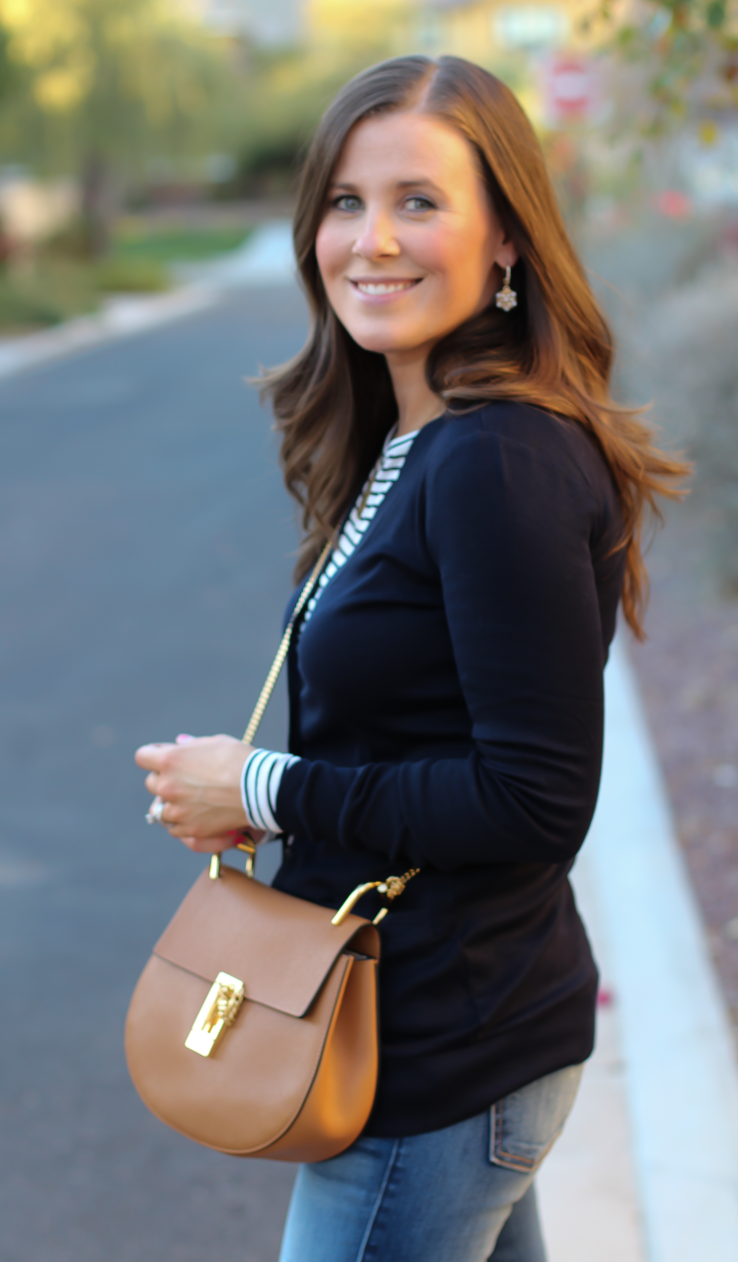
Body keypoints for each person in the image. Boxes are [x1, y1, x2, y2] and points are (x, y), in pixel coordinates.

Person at [135, 55, 686, 1262]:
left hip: (439, 1058)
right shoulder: (417, 441)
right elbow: (422, 731)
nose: (372, 239)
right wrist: (260, 793)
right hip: (439, 1030)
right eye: (345, 200)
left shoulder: (498, 462)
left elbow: (536, 797)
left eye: (419, 201)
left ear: (506, 243)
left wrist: (266, 786)